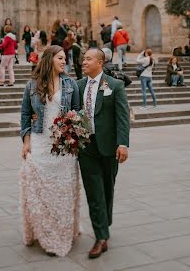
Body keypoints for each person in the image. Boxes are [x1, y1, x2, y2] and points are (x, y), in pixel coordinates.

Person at [20, 46, 80, 257]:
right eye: (61, 58)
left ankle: (61, 232)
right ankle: (43, 231)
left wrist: (73, 136)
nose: (65, 62)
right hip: (39, 142)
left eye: (65, 58)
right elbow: (26, 114)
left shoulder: (71, 84)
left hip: (63, 147)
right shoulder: (32, 85)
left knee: (61, 192)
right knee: (39, 190)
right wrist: (26, 142)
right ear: (49, 59)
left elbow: (77, 114)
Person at [77, 48, 130, 259]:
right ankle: (101, 237)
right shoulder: (78, 85)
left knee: (108, 189)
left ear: (100, 62)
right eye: (83, 58)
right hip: (86, 148)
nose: (84, 62)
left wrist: (123, 144)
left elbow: (122, 117)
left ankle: (104, 224)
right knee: (94, 192)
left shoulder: (114, 85)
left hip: (109, 148)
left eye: (88, 58)